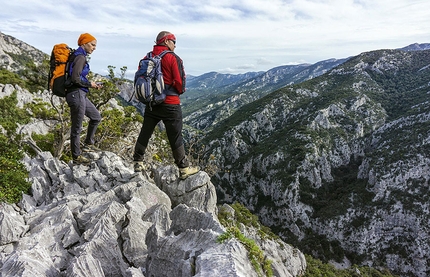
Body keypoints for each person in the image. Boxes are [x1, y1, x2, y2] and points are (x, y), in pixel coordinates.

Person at [133, 31, 200, 179]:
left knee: (145, 131)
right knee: (175, 136)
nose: (175, 45)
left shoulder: (147, 57)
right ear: (166, 41)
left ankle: (138, 161)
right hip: (170, 104)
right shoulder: (172, 57)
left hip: (152, 104)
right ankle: (183, 169)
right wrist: (177, 90)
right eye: (174, 41)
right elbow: (180, 83)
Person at [66, 33, 102, 165]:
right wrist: (90, 84)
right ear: (84, 43)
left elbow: (76, 76)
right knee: (77, 127)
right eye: (92, 45)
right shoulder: (80, 57)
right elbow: (75, 78)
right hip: (76, 94)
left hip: (80, 94)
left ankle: (88, 144)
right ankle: (76, 157)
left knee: (96, 117)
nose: (94, 48)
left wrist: (89, 84)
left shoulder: (79, 56)